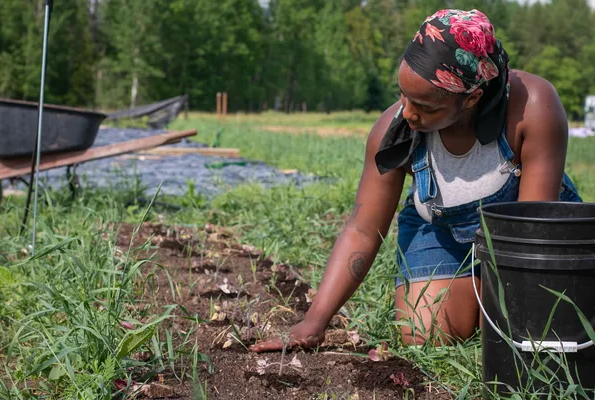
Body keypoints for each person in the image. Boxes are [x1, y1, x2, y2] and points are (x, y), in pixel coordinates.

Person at [249, 8, 583, 352]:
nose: (407, 113)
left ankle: (485, 299)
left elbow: (532, 229)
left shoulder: (532, 106)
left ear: (471, 98)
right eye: (403, 95)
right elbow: (362, 230)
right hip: (441, 228)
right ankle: (471, 289)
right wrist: (313, 322)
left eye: (424, 105)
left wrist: (507, 305)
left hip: (525, 231)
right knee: (423, 335)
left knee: (509, 329)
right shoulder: (393, 131)